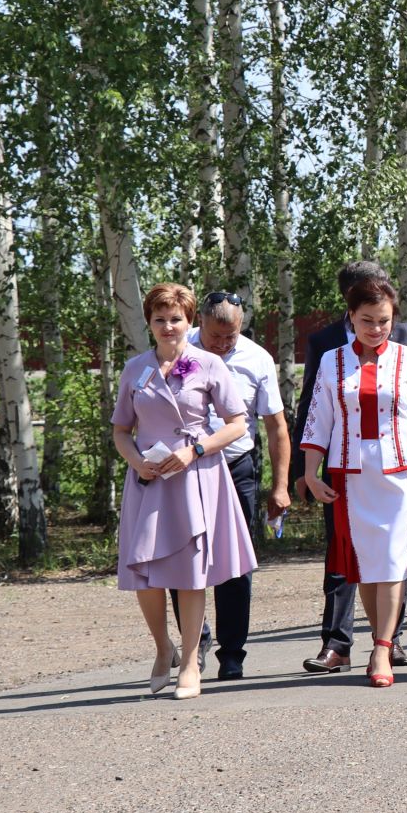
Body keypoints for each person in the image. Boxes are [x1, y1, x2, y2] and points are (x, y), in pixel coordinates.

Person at [291, 260, 407, 672]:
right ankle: (376, 638)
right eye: (367, 320)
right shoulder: (332, 361)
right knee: (364, 564)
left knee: (394, 559)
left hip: (402, 476)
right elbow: (317, 420)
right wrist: (309, 471)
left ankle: (382, 648)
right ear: (351, 316)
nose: (376, 328)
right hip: (349, 478)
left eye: (383, 320)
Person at [110, 283, 257, 700]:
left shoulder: (209, 364)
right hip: (149, 480)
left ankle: (191, 662)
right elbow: (122, 430)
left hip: (195, 477)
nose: (168, 326)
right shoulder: (135, 369)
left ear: (189, 322)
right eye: (160, 319)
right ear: (150, 323)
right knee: (146, 575)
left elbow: (237, 423)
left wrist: (196, 450)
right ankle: (163, 649)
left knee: (193, 573)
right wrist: (137, 461)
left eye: (176, 319)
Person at [185, 291, 290, 678]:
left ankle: (232, 653)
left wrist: (279, 486)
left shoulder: (256, 358)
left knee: (234, 565)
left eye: (231, 337)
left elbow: (276, 427)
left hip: (236, 468)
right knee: (184, 559)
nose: (224, 344)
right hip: (187, 470)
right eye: (216, 336)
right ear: (200, 323)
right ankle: (193, 642)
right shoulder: (178, 351)